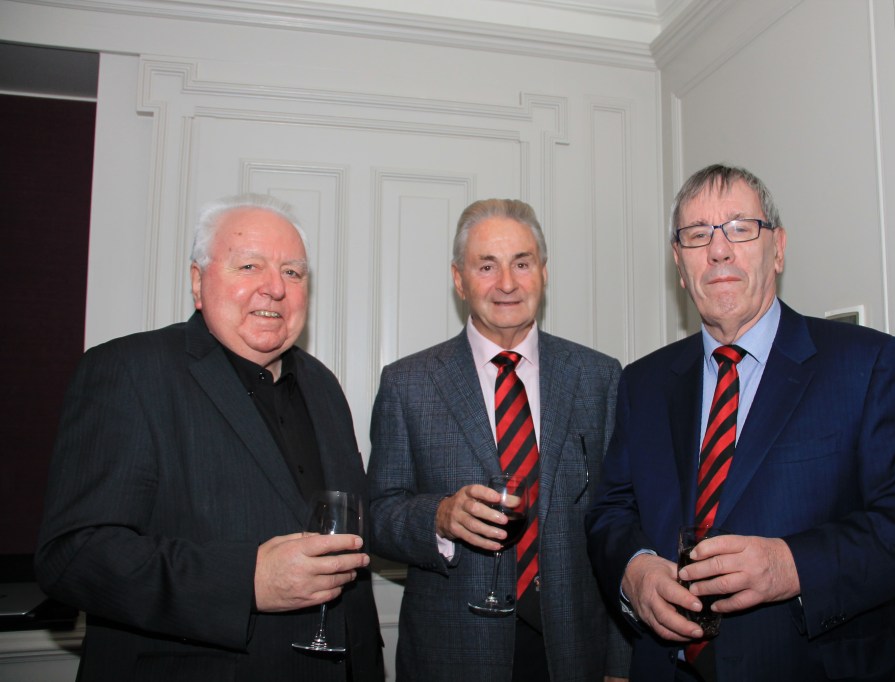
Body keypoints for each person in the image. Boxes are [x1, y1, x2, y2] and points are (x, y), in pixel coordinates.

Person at [585, 164, 895, 681]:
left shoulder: (866, 364)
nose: (719, 250)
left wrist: (792, 566)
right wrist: (634, 569)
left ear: (778, 248)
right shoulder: (643, 382)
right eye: (697, 235)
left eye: (741, 228)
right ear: (680, 263)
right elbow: (610, 511)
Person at [35, 194, 384, 681]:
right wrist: (246, 581)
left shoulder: (323, 385)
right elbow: (73, 556)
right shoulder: (128, 371)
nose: (274, 288)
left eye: (292, 272)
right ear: (198, 283)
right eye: (249, 266)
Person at [367, 199, 630, 681]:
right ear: (459, 279)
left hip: (574, 653)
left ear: (544, 273)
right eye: (486, 266)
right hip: (453, 654)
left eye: (522, 264)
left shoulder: (599, 378)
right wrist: (439, 516)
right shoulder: (408, 384)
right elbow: (380, 515)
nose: (507, 283)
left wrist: (620, 663)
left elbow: (619, 520)